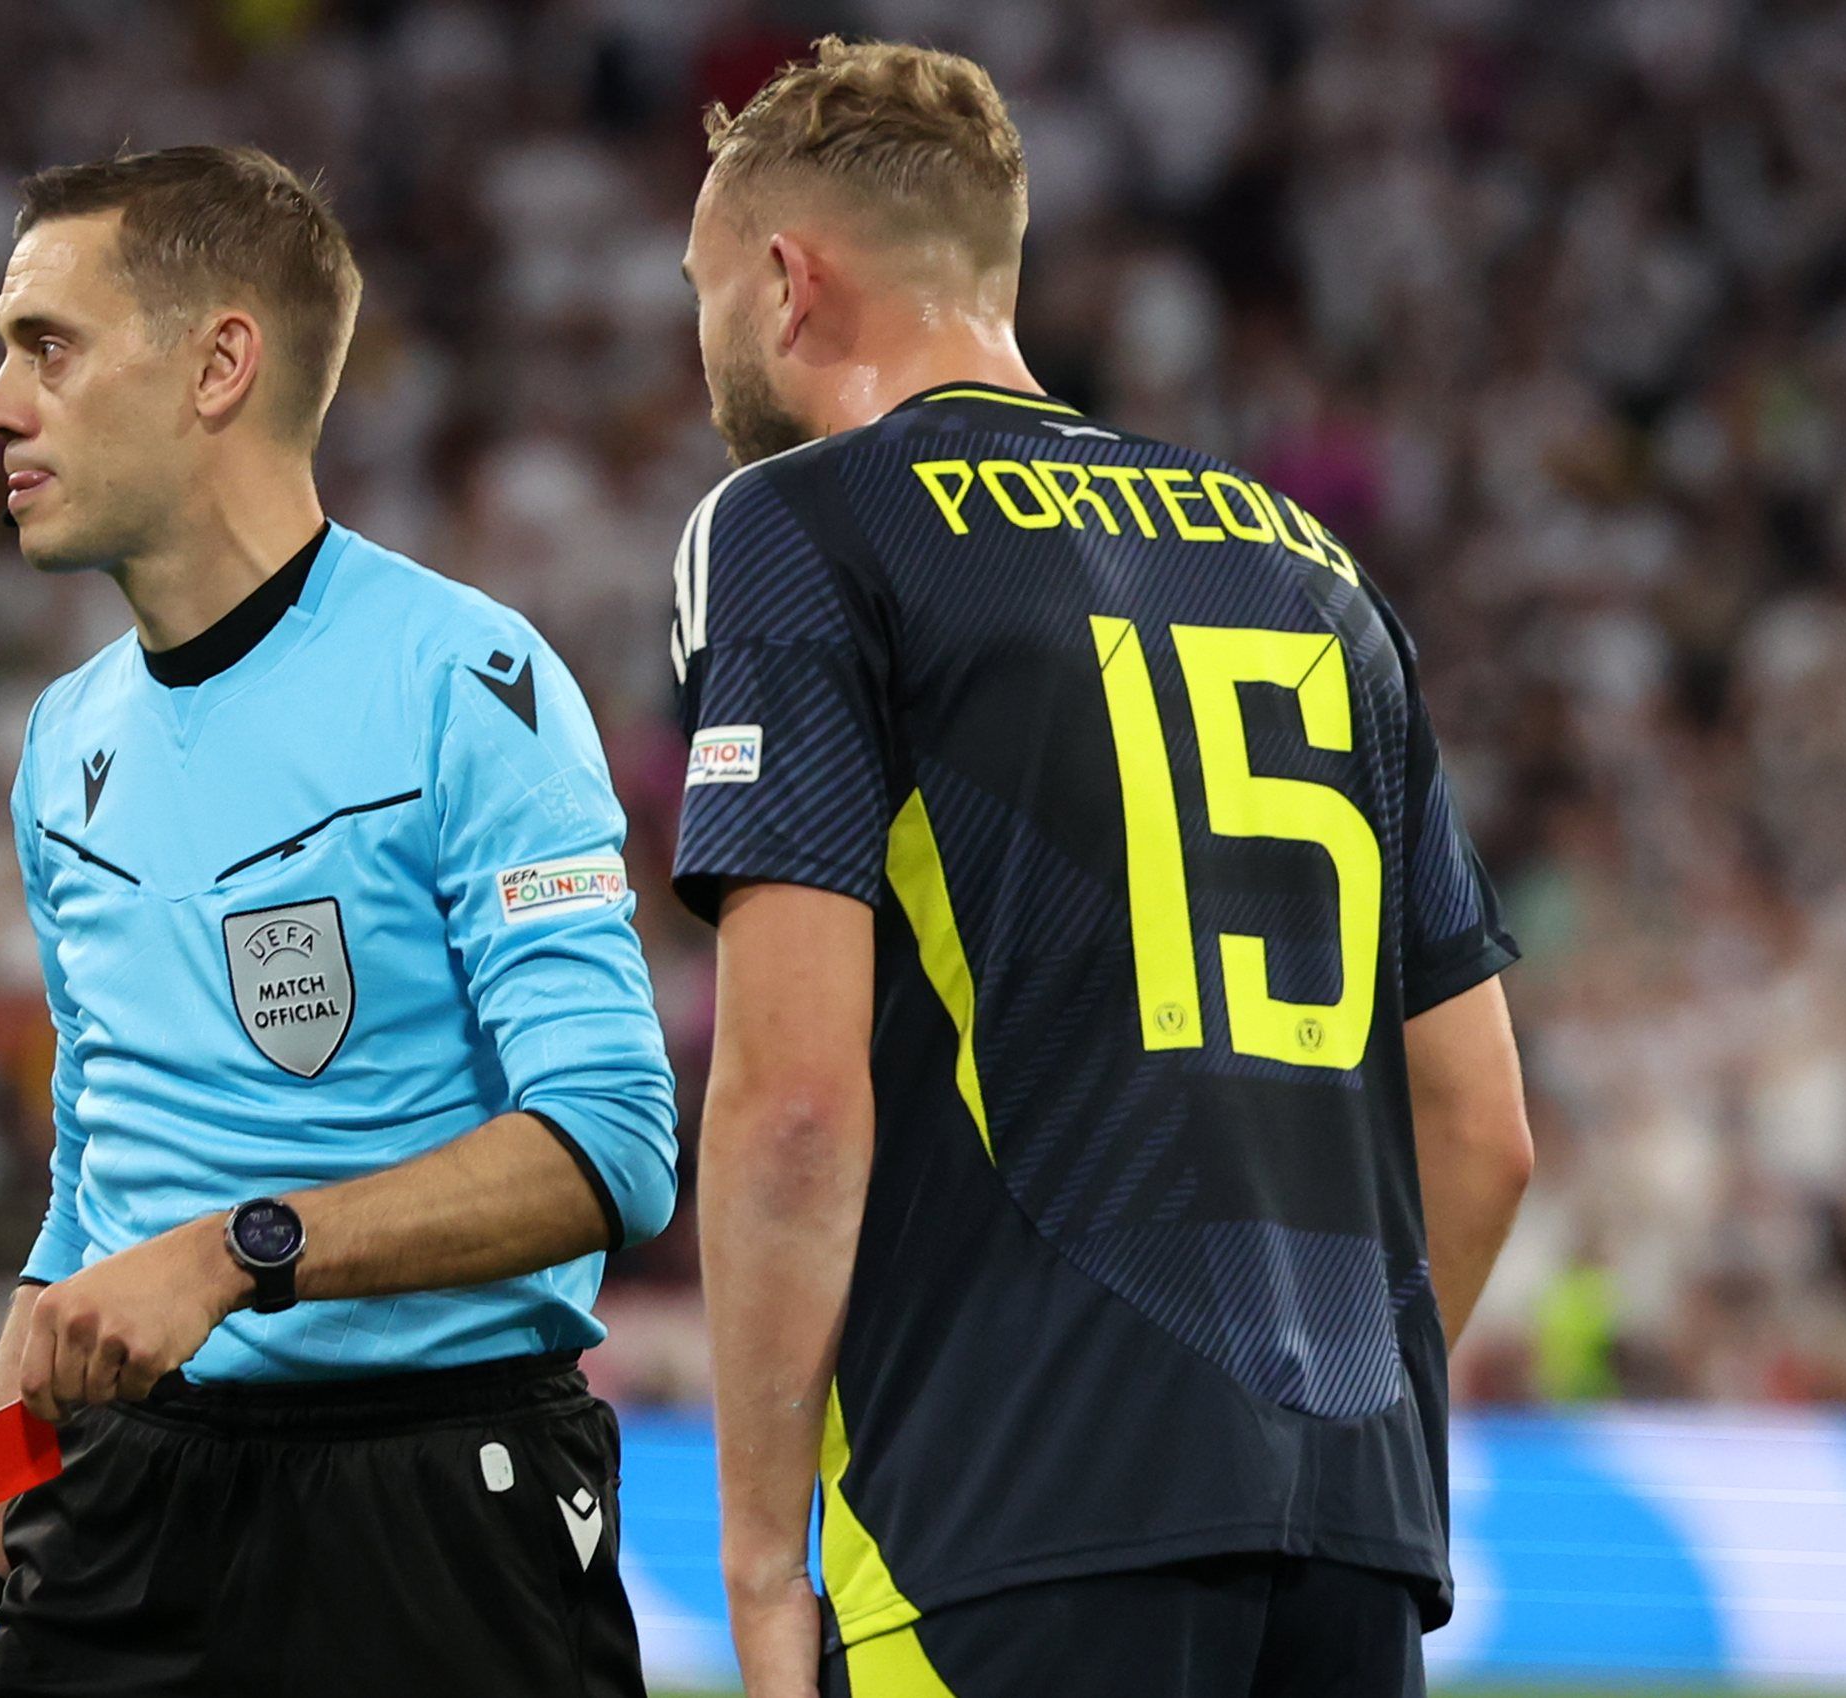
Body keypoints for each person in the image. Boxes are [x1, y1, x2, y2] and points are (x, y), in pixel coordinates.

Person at [670, 40, 1536, 1698]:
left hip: (1002, 1525)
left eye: (702, 289)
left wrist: (765, 1563)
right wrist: (1332, 1401)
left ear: (785, 280)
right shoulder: (1308, 563)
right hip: (1348, 1541)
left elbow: (788, 1099)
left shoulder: (799, 523)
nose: (702, 339)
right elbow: (1483, 1130)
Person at [0, 145, 679, 1698]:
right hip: (125, 1500)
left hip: (437, 1503)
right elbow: (86, 1215)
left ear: (219, 362)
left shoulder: (468, 681)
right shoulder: (59, 745)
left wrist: (241, 1252)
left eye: (47, 346)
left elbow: (615, 1142)